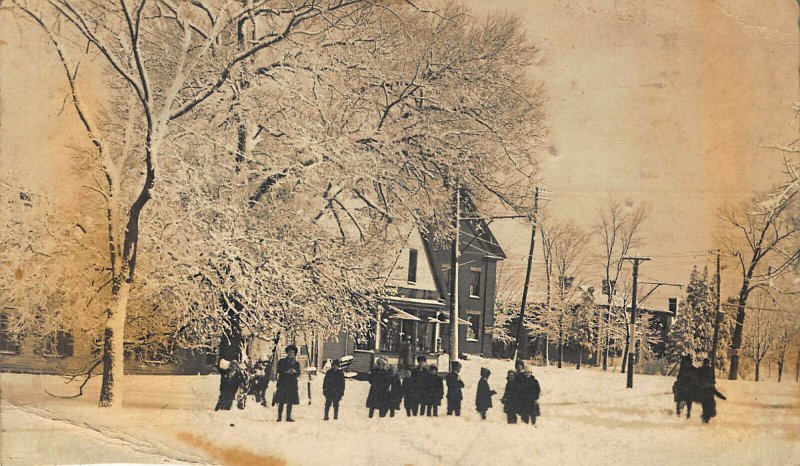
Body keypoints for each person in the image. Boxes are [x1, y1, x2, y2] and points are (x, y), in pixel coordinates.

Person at [273, 344, 301, 422]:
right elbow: (278, 370)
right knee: (281, 401)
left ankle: (288, 417)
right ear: (287, 353)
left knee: (290, 401)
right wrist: (286, 371)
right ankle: (279, 417)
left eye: (292, 352)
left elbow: (299, 372)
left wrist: (295, 371)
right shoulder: (282, 361)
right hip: (283, 383)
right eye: (289, 352)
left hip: (292, 384)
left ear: (294, 354)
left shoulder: (296, 363)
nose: (290, 354)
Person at [698, 358, 726, 423]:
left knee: (706, 407)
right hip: (707, 390)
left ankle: (705, 418)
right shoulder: (710, 369)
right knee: (710, 407)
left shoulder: (701, 369)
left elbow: (698, 378)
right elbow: (713, 378)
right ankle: (706, 419)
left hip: (704, 390)